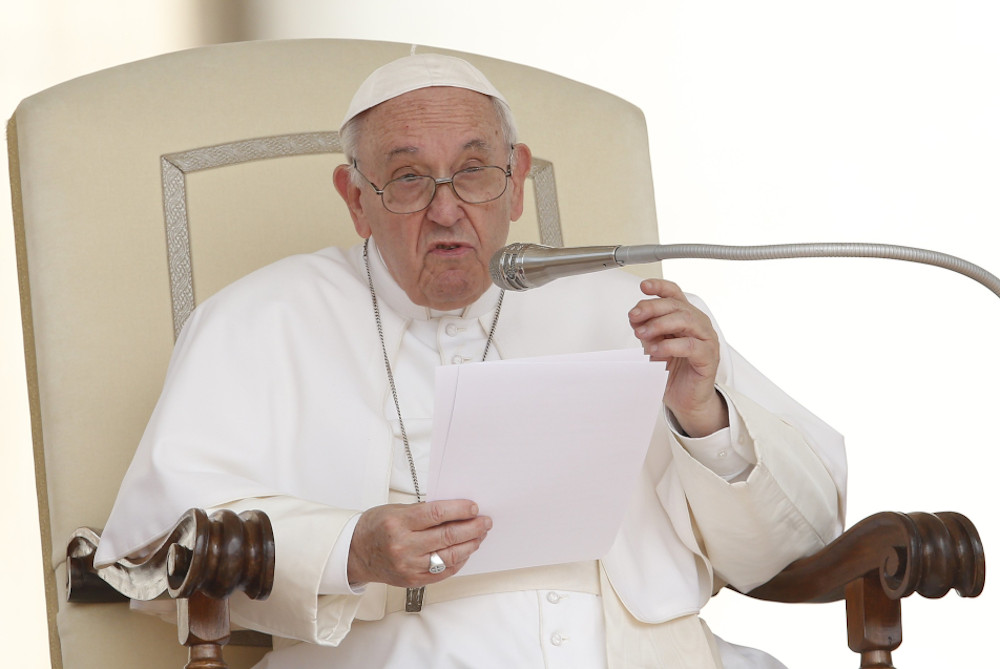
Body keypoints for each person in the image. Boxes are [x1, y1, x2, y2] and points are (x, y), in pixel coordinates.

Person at [95, 53, 846, 668]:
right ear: (355, 197)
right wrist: (348, 547)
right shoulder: (255, 320)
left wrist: (703, 417)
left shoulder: (634, 312)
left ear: (517, 181)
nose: (448, 209)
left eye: (476, 170)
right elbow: (155, 546)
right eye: (409, 177)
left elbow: (796, 541)